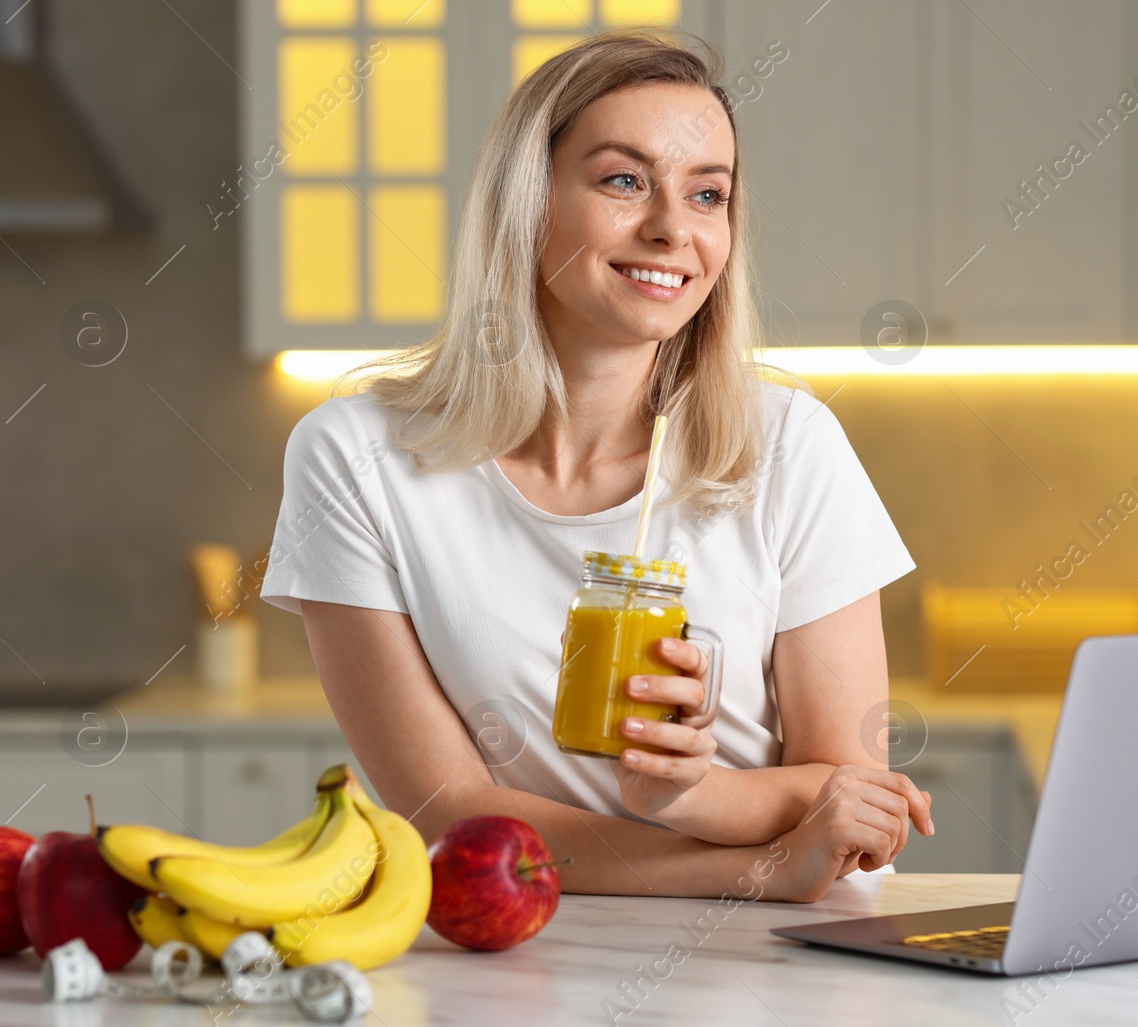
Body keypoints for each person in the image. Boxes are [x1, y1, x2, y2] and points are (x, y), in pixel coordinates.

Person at [261, 30, 932, 903]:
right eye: (623, 180)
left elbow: (852, 799)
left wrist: (695, 787)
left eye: (707, 194)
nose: (670, 229)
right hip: (523, 957)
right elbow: (453, 814)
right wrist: (757, 867)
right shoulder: (357, 460)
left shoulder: (790, 445)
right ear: (525, 201)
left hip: (786, 966)